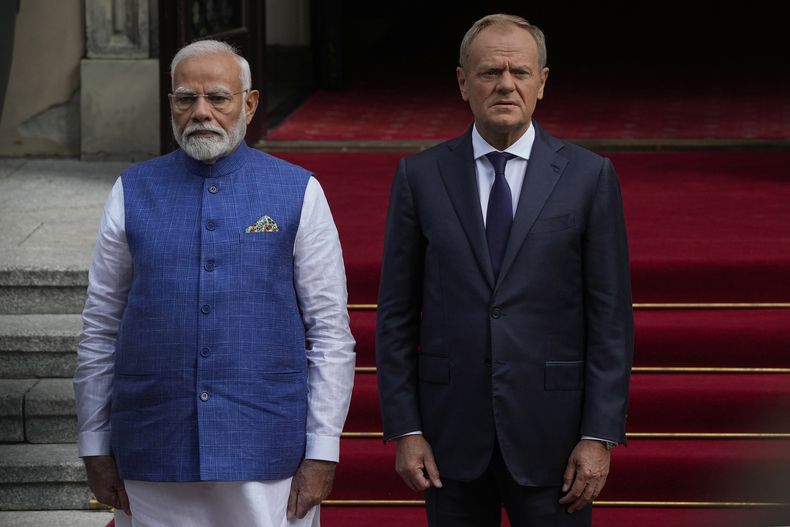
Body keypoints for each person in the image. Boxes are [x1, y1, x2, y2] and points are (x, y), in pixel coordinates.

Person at [73, 39, 355, 527]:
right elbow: (100, 328)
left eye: (218, 98)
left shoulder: (299, 191)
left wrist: (322, 451)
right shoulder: (131, 190)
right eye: (186, 99)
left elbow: (330, 332)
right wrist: (95, 445)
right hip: (153, 445)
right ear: (171, 104)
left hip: (266, 446)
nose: (201, 112)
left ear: (250, 103)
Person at [376, 13, 633, 527]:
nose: (506, 84)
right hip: (449, 439)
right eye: (490, 72)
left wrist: (598, 435)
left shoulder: (589, 176)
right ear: (462, 82)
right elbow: (396, 315)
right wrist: (406, 428)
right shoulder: (420, 176)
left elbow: (610, 319)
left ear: (542, 82)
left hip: (555, 439)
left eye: (520, 72)